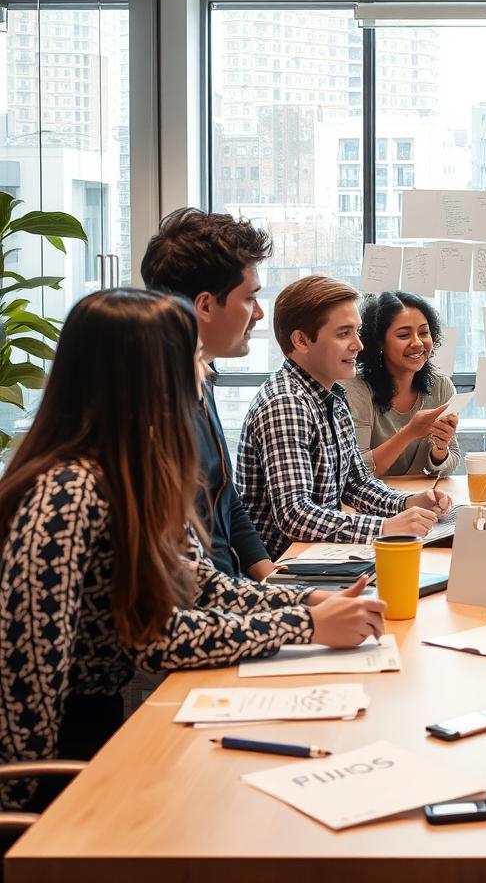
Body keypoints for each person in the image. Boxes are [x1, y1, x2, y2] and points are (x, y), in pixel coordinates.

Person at [0, 290, 387, 811]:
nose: (205, 377)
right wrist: (305, 626)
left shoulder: (134, 472)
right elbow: (154, 637)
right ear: (144, 376)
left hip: (99, 733)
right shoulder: (69, 492)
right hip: (56, 766)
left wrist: (307, 601)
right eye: (196, 361)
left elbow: (202, 586)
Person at [236, 276, 451, 561]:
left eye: (358, 332)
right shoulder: (286, 403)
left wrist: (407, 502)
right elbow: (296, 516)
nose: (359, 345)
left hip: (318, 556)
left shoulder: (332, 395)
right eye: (343, 334)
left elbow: (357, 483)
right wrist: (386, 527)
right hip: (285, 566)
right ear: (301, 340)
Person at [141, 207, 276, 581]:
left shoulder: (201, 377)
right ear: (204, 305)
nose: (259, 314)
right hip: (202, 610)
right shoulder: (155, 408)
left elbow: (225, 498)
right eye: (250, 298)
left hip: (229, 595)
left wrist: (274, 579)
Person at [341, 291, 461, 477]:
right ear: (380, 342)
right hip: (371, 502)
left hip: (421, 500)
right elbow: (356, 473)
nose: (418, 343)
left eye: (424, 332)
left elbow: (451, 461)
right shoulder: (355, 389)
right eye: (404, 335)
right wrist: (409, 433)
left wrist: (440, 449)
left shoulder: (441, 386)